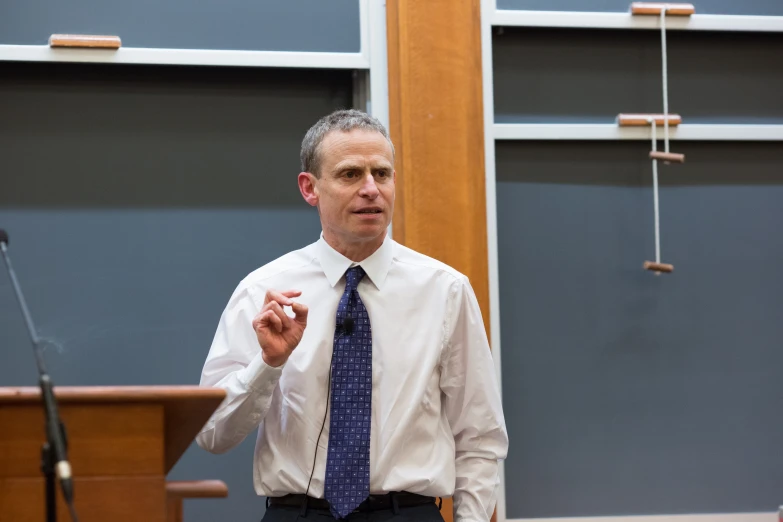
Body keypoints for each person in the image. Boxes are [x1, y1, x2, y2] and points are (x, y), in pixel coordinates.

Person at [196, 109, 508, 522]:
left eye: (382, 173)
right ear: (310, 187)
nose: (371, 190)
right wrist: (268, 365)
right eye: (349, 174)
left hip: (406, 512)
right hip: (299, 513)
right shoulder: (263, 291)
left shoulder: (444, 289)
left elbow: (479, 433)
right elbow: (212, 434)